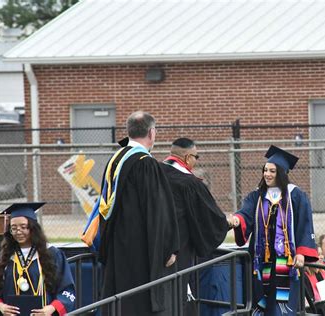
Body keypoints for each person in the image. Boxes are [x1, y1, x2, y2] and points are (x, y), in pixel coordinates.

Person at [97, 111, 179, 315]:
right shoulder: (145, 163)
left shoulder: (115, 160)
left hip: (117, 245)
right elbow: (157, 211)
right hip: (141, 250)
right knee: (138, 302)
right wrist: (167, 248)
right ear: (151, 133)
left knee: (120, 302)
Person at [228, 145, 318, 315]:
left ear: (282, 173)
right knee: (261, 302)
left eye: (272, 171)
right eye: (265, 170)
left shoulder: (295, 195)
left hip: (287, 261)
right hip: (262, 260)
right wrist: (236, 220)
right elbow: (245, 213)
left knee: (280, 307)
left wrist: (301, 252)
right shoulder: (257, 195)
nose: (267, 174)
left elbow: (305, 225)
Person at [160, 137, 228, 303]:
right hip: (179, 248)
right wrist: (227, 222)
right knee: (177, 293)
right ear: (188, 157)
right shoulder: (189, 182)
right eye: (196, 157)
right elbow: (209, 217)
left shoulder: (155, 173)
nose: (196, 161)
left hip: (154, 244)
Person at [0, 202, 76, 315]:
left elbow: (67, 290)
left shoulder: (52, 254)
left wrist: (51, 308)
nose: (18, 232)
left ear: (33, 228)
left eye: (23, 227)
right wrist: (1, 306)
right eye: (13, 228)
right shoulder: (4, 257)